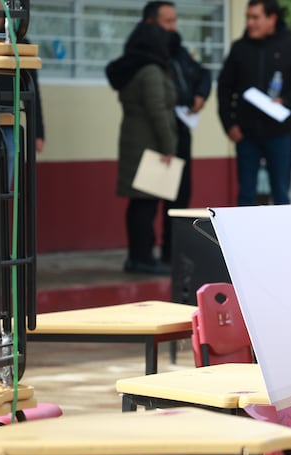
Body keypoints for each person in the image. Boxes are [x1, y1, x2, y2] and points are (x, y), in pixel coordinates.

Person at [217, 0, 291, 206]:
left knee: (281, 191)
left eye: (256, 17)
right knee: (246, 193)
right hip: (246, 134)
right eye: (248, 17)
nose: (250, 23)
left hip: (279, 133)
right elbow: (224, 88)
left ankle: (281, 238)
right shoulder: (240, 48)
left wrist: (287, 101)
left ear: (272, 19)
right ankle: (243, 238)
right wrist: (229, 123)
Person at [106, 22, 177, 275]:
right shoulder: (150, 71)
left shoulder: (133, 67)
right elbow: (157, 109)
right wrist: (169, 146)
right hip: (149, 146)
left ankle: (138, 256)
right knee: (145, 206)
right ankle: (142, 258)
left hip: (135, 141)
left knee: (139, 204)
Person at [142, 1, 210, 265]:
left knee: (181, 194)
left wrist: (201, 95)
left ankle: (172, 251)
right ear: (151, 23)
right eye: (167, 22)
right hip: (158, 133)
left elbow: (202, 73)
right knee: (152, 197)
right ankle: (147, 255)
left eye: (174, 21)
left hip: (183, 129)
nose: (173, 27)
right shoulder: (147, 55)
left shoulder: (178, 50)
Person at [0, 16, 44, 189]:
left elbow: (32, 90)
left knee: (10, 154)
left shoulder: (18, 43)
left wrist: (39, 132)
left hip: (7, 117)